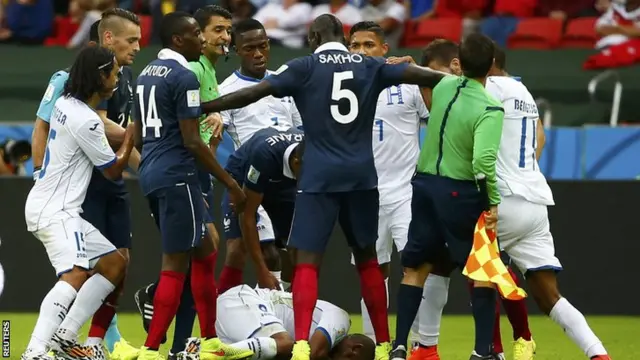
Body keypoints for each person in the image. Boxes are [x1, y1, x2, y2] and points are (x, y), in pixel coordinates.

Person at [201, 13, 446, 360]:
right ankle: (388, 345)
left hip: (318, 177)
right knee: (369, 262)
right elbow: (423, 76)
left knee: (306, 263)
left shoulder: (303, 67)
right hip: (362, 177)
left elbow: (254, 93)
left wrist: (207, 105)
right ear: (343, 36)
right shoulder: (368, 65)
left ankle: (301, 343)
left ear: (314, 37)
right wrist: (463, 82)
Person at [387, 39, 535, 360]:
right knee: (481, 272)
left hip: (424, 186)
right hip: (460, 192)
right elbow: (483, 163)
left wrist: (408, 62)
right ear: (492, 64)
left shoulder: (443, 87)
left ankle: (399, 346)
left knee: (415, 269)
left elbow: (420, 75)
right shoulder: (489, 107)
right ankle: (484, 352)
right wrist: (491, 201)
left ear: (459, 62)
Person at [132, 11, 249, 360]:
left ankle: (206, 338)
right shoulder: (184, 77)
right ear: (178, 40)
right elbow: (192, 142)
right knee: (175, 264)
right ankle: (153, 349)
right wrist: (230, 182)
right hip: (178, 174)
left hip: (152, 172)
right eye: (196, 34)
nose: (203, 40)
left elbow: (137, 132)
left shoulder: (146, 74)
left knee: (206, 250)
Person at [485, 47, 611, 360]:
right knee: (549, 296)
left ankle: (496, 352)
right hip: (535, 200)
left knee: (480, 279)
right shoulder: (523, 90)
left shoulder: (488, 88)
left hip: (504, 200)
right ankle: (598, 353)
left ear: (487, 64)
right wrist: (525, 168)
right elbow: (540, 136)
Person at [30, 9, 142, 360]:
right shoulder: (86, 119)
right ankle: (34, 352)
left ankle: (65, 338)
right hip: (56, 208)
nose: (116, 79)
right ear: (100, 78)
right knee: (77, 271)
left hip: (61, 205)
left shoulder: (69, 103)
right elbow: (113, 167)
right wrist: (133, 136)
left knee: (114, 264)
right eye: (111, 73)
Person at [347, 20, 432, 343]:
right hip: (364, 194)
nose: (362, 51)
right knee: (372, 272)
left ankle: (421, 343)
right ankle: (376, 343)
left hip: (406, 192)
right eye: (355, 45)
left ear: (385, 50)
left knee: (416, 266)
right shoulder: (341, 86)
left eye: (369, 45)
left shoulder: (407, 83)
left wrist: (419, 71)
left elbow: (437, 114)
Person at [215, 18, 303, 295]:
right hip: (252, 178)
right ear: (237, 50)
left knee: (293, 255)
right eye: (250, 48)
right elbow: (213, 134)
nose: (258, 54)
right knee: (262, 253)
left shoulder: (284, 85)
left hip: (287, 180)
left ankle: (280, 307)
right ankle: (224, 318)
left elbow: (301, 130)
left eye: (263, 47)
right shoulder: (226, 91)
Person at [224, 126, 304, 291]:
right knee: (241, 250)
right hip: (244, 177)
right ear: (296, 163)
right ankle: (225, 309)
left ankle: (281, 302)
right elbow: (247, 215)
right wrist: (261, 272)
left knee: (298, 252)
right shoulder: (264, 155)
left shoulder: (312, 153)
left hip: (282, 183)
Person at [216, 285, 376, 360]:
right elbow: (314, 353)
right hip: (242, 301)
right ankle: (203, 355)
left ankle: (197, 349)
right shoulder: (341, 319)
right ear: (354, 350)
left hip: (241, 329)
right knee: (286, 345)